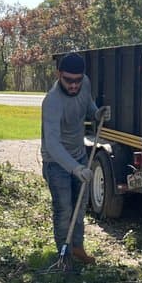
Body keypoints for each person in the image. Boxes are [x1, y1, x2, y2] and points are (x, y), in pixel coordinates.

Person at [41, 51, 110, 264]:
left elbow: (87, 105)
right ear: (58, 74)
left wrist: (97, 114)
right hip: (56, 162)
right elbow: (52, 144)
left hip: (79, 156)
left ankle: (78, 249)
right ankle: (64, 255)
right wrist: (75, 168)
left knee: (79, 207)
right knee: (64, 209)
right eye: (68, 80)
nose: (73, 86)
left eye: (77, 81)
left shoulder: (85, 83)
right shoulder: (52, 102)